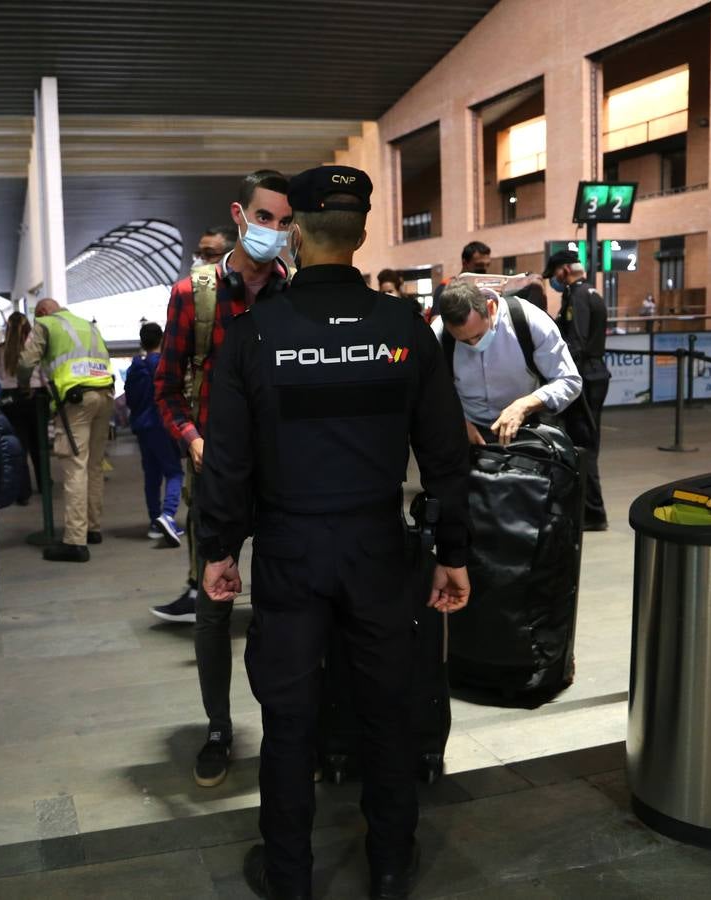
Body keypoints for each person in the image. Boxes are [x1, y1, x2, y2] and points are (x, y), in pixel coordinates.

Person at [197, 165, 472, 900]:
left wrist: (218, 551)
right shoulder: (404, 329)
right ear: (361, 233)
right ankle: (389, 865)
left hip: (290, 551)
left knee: (288, 717)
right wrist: (454, 554)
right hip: (379, 547)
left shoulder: (257, 336)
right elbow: (445, 454)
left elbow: (227, 461)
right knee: (388, 707)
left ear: (296, 229)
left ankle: (290, 876)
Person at [149, 169, 293, 788]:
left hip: (286, 478)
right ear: (241, 213)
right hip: (217, 474)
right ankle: (217, 728)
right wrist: (196, 441)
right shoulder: (195, 294)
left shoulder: (296, 294)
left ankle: (291, 726)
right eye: (265, 218)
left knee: (289, 603)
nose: (275, 233)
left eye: (287, 223)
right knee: (214, 606)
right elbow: (166, 390)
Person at [18, 298, 114, 562]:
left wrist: (23, 386)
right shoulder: (88, 326)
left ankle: (75, 541)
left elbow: (26, 363)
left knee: (75, 467)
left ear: (43, 311)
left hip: (76, 402)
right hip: (105, 395)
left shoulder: (47, 324)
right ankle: (92, 528)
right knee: (94, 466)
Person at [433, 281, 582, 446]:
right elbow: (426, 392)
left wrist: (525, 405)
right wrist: (456, 421)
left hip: (524, 429)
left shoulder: (529, 320)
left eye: (478, 336)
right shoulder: (439, 334)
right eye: (464, 341)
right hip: (465, 433)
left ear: (489, 307)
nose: (473, 345)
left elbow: (569, 381)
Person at [546, 250, 611, 530]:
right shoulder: (591, 292)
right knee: (584, 444)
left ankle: (593, 513)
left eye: (554, 275)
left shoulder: (578, 295)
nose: (554, 281)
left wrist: (560, 377)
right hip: (594, 374)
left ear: (563, 271)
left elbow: (577, 343)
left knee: (583, 447)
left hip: (584, 377)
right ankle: (588, 510)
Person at [125, 322, 183, 542]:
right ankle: (168, 516)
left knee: (151, 476)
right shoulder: (164, 365)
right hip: (163, 425)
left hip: (142, 427)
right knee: (174, 472)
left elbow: (130, 399)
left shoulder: (134, 368)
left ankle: (154, 522)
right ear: (162, 339)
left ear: (142, 342)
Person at [0, 312, 44, 504]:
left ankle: (23, 492)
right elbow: (42, 371)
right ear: (27, 328)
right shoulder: (34, 346)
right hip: (34, 395)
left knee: (19, 445)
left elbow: (0, 373)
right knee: (38, 443)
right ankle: (43, 483)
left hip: (10, 398)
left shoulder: (1, 348)